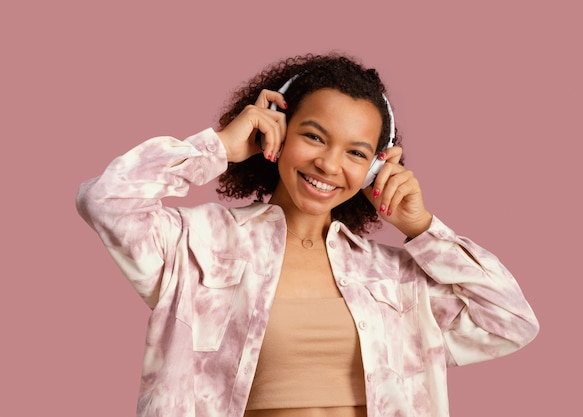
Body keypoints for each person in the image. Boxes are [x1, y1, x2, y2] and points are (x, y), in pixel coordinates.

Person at [76, 53, 539, 417]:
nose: (329, 165)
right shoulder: (199, 245)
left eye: (356, 153)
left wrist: (421, 229)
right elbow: (107, 202)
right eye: (314, 137)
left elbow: (510, 321)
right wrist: (219, 146)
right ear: (275, 130)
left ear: (377, 167)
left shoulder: (394, 277)